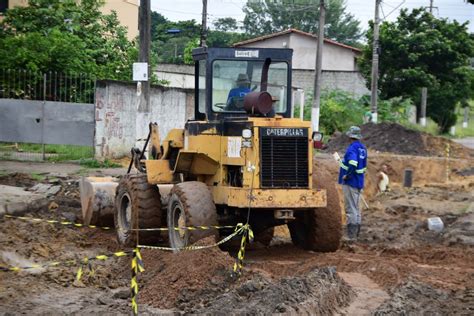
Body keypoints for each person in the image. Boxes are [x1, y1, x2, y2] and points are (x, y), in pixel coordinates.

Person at [338, 126, 367, 241]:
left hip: (351, 181)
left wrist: (347, 175)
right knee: (356, 208)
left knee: (351, 209)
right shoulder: (362, 148)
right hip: (359, 181)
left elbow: (353, 163)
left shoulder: (352, 149)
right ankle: (356, 234)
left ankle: (351, 236)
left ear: (350, 136)